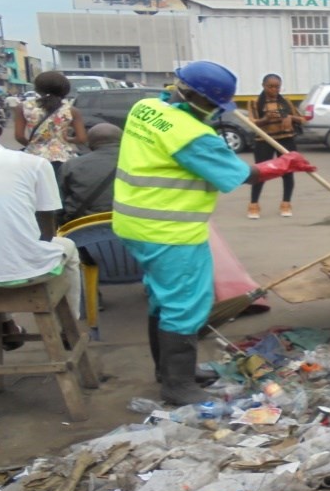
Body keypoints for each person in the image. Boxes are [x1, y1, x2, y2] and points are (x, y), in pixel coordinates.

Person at [113, 60, 315, 405]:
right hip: (170, 231)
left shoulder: (145, 108)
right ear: (192, 97)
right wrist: (283, 165)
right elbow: (238, 175)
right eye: (209, 105)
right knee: (184, 305)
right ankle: (177, 386)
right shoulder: (192, 135)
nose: (211, 112)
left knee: (163, 299)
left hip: (134, 223)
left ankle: (172, 372)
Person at [0, 101, 82, 347]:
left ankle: (6, 323)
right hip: (26, 271)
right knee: (68, 248)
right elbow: (46, 232)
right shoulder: (34, 164)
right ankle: (68, 329)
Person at [246, 73, 305, 219]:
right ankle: (254, 205)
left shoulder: (286, 102)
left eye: (277, 87)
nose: (274, 90)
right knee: (260, 172)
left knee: (287, 172)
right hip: (264, 140)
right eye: (270, 86)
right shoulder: (254, 102)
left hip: (285, 139)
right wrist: (265, 119)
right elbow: (252, 122)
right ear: (263, 86)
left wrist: (290, 117)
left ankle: (286, 203)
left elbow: (303, 119)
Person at [14, 71, 88, 182]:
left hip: (34, 158)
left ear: (37, 88)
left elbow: (19, 136)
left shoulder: (23, 107)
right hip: (63, 159)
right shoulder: (71, 110)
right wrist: (67, 139)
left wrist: (34, 145)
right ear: (64, 89)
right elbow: (82, 138)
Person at [58, 123, 122, 224]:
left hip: (82, 226)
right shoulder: (139, 163)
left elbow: (58, 203)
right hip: (129, 225)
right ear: (122, 140)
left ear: (89, 143)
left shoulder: (71, 166)